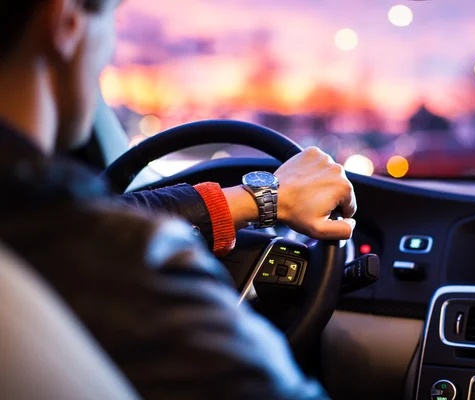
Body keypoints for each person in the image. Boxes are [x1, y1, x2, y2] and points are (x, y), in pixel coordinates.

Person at [0, 0, 357, 399]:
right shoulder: (129, 264)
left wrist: (261, 199)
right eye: (111, 21)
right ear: (66, 22)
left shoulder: (35, 222)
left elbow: (108, 212)